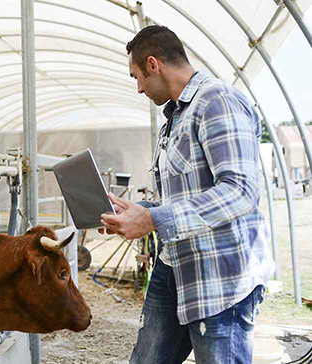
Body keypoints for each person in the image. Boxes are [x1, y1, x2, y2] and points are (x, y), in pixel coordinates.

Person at [99, 25, 274, 363]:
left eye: (137, 76)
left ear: (153, 64)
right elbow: (182, 198)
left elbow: (240, 191)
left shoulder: (217, 101)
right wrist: (138, 211)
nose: (138, 89)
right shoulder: (175, 117)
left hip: (220, 280)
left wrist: (152, 218)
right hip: (175, 267)